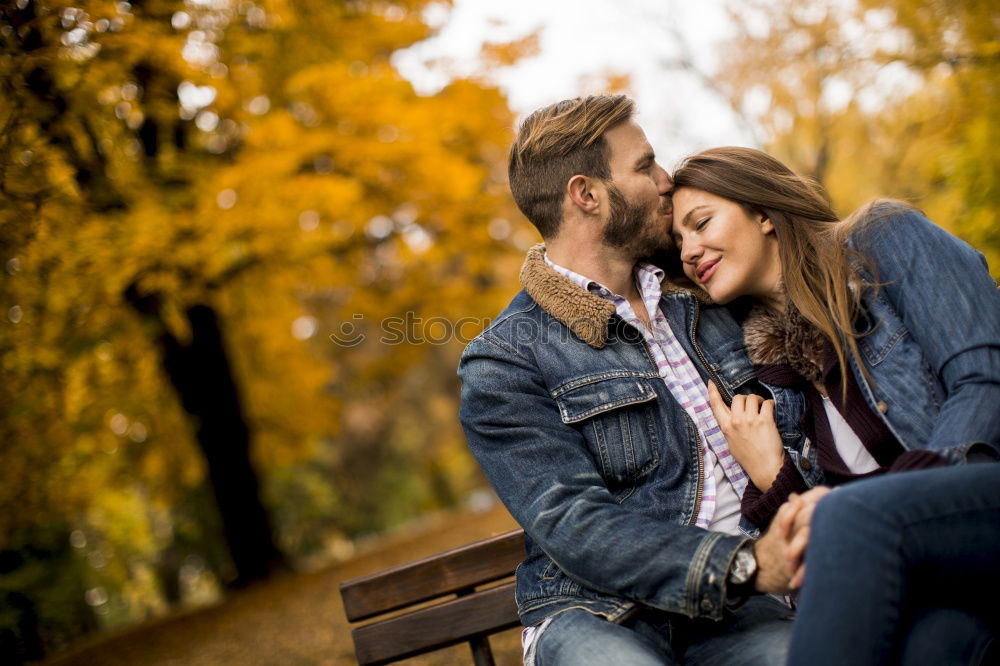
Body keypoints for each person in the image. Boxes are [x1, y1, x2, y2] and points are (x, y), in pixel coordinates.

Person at [458, 95, 800, 666]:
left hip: (738, 610)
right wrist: (744, 564)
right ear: (586, 195)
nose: (667, 181)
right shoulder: (504, 360)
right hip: (599, 615)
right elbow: (575, 523)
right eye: (644, 166)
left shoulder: (706, 293)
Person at [668, 146, 1000, 664]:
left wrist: (902, 494)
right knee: (932, 648)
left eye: (700, 222)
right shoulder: (773, 378)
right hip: (939, 577)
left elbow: (986, 379)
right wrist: (775, 476)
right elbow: (823, 546)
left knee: (851, 517)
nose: (689, 250)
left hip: (979, 503)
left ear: (762, 211)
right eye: (678, 241)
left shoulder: (884, 239)